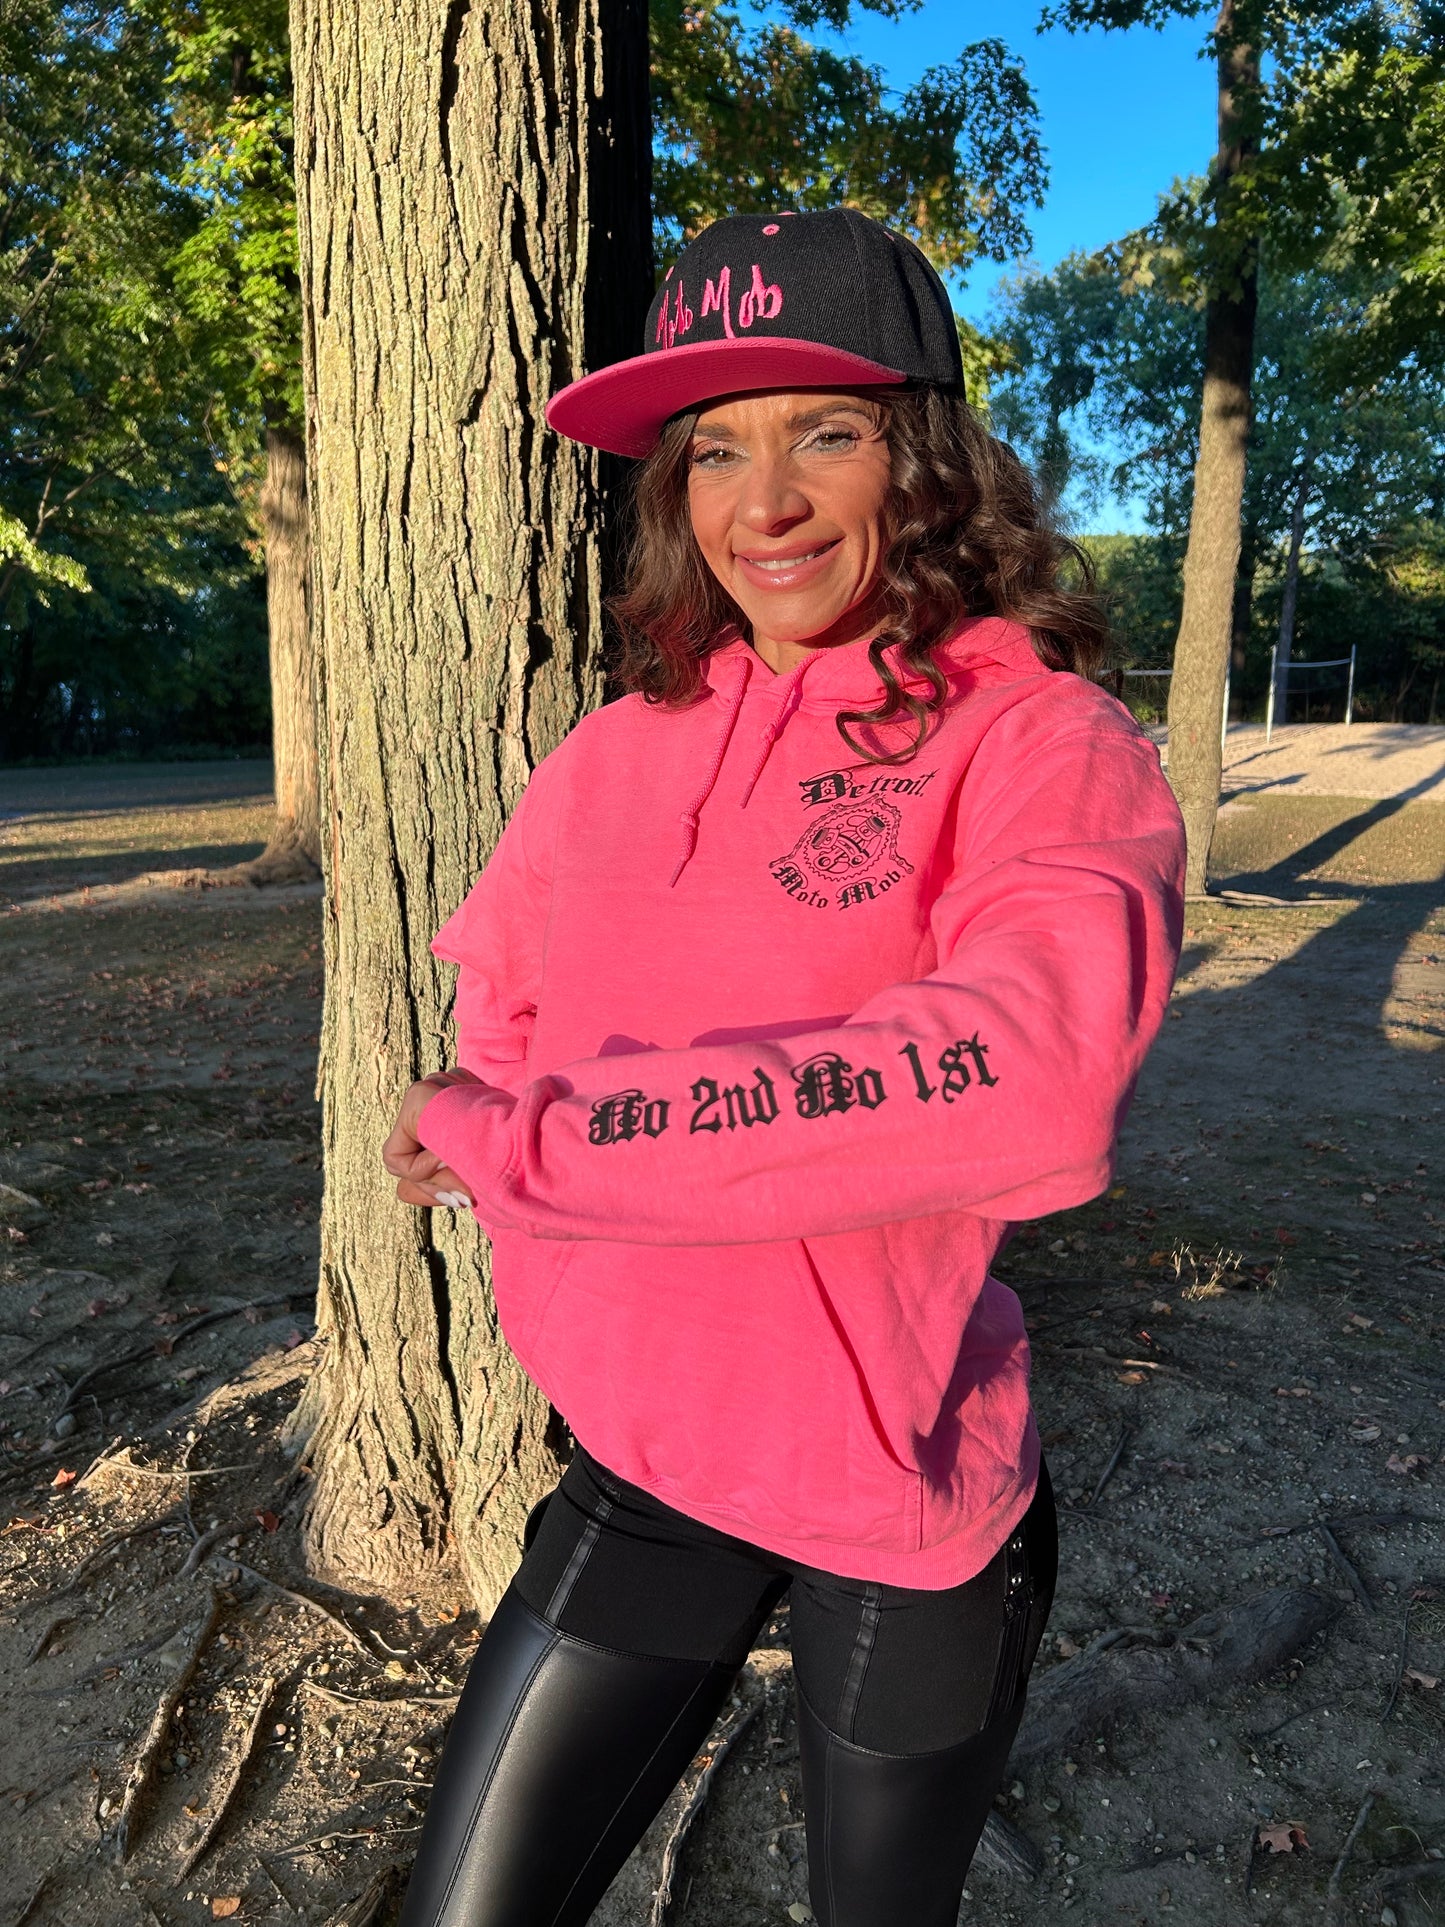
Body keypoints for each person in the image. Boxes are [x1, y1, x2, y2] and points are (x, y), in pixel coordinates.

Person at [381, 207, 1186, 1927]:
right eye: (714, 451)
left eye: (828, 433)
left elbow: (1026, 1080)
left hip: (902, 1495)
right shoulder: (613, 748)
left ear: (930, 461)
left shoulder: (1038, 740)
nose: (768, 504)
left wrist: (536, 1149)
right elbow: (504, 1023)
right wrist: (488, 1128)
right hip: (644, 1461)